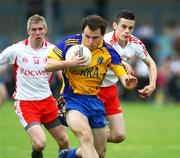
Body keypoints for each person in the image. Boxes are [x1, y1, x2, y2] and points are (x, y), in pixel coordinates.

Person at [44, 15, 137, 158]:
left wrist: (128, 81)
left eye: (95, 38)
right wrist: (69, 63)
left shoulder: (109, 52)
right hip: (71, 100)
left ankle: (68, 155)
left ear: (102, 35)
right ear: (82, 32)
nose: (90, 41)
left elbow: (122, 75)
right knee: (86, 137)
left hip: (94, 102)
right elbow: (47, 65)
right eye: (87, 36)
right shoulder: (69, 43)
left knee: (99, 152)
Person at [0, 14, 77, 158]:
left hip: (47, 102)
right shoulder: (16, 50)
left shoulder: (53, 51)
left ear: (45, 30)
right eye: (34, 29)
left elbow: (62, 73)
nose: (37, 33)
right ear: (28, 31)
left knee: (64, 141)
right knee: (40, 143)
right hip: (25, 103)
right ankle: (36, 152)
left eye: (40, 29)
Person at [98, 10, 157, 143]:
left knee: (119, 136)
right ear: (114, 26)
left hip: (111, 89)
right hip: (94, 90)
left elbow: (151, 64)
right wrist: (122, 62)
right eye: (123, 27)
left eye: (130, 28)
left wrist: (152, 84)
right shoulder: (105, 40)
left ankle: (86, 136)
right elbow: (107, 57)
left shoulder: (135, 43)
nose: (127, 31)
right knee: (98, 146)